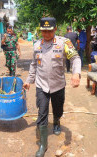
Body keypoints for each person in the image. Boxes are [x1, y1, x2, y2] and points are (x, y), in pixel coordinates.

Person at [23, 17, 81, 157]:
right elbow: (33, 65)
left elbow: (75, 58)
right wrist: (28, 80)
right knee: (42, 112)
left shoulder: (63, 43)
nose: (46, 34)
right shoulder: (37, 45)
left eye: (49, 31)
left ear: (55, 29)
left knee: (58, 108)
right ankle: (43, 145)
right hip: (41, 85)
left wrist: (76, 73)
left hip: (58, 85)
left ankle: (56, 121)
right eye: (43, 31)